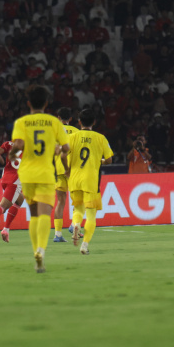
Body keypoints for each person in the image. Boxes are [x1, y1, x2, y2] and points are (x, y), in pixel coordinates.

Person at [8, 85, 70, 273]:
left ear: (28, 103)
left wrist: (12, 155)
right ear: (46, 103)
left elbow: (18, 145)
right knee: (44, 214)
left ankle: (36, 250)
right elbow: (65, 148)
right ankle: (41, 251)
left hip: (26, 174)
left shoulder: (22, 122)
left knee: (34, 214)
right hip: (45, 173)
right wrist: (58, 150)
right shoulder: (54, 122)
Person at [64, 108, 114, 255]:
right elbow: (110, 160)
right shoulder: (101, 138)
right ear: (94, 122)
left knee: (78, 209)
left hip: (74, 179)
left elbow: (62, 153)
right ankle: (84, 245)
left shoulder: (72, 137)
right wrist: (100, 161)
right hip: (91, 180)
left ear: (79, 122)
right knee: (91, 214)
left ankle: (76, 224)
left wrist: (67, 168)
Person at [52, 107, 78, 242]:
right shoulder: (77, 132)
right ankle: (74, 224)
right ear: (71, 119)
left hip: (58, 170)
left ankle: (57, 234)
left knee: (60, 202)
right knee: (78, 200)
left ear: (58, 118)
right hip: (72, 170)